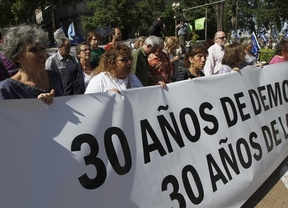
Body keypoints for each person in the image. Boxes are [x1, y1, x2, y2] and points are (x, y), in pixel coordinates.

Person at [0, 24, 63, 104]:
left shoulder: (55, 77)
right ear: (17, 57)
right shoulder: (6, 89)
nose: (41, 54)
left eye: (42, 49)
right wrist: (35, 106)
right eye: (33, 50)